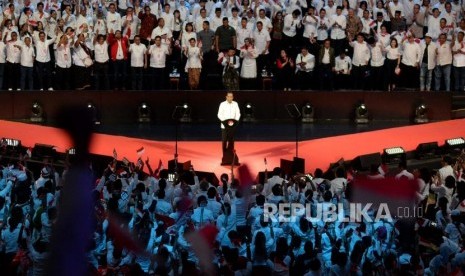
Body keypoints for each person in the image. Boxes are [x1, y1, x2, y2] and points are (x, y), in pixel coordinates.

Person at [217, 92, 241, 163]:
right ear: (226, 97)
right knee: (224, 141)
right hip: (224, 126)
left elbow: (238, 113)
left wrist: (235, 121)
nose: (230, 98)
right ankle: (224, 155)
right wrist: (225, 122)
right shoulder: (222, 104)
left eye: (231, 97)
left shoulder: (235, 104)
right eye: (229, 96)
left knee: (231, 141)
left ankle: (231, 155)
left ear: (233, 97)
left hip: (232, 126)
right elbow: (219, 114)